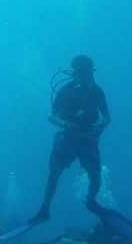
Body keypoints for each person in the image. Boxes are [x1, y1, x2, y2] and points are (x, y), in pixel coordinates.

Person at [29, 55, 110, 224]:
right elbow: (50, 116)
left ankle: (91, 201)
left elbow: (107, 117)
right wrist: (65, 124)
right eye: (81, 73)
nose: (85, 77)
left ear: (91, 72)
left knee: (95, 175)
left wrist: (99, 128)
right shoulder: (65, 91)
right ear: (75, 74)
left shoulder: (97, 91)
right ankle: (45, 209)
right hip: (67, 138)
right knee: (54, 174)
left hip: (88, 138)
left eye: (88, 72)